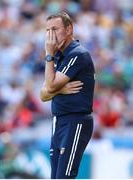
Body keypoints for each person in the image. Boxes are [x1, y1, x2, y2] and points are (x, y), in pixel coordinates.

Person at [40, 11, 95, 179]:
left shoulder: (78, 54)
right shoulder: (58, 56)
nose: (51, 35)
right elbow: (43, 95)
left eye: (55, 29)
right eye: (48, 30)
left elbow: (49, 86)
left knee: (65, 176)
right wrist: (60, 89)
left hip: (75, 120)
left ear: (69, 29)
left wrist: (48, 55)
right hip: (58, 120)